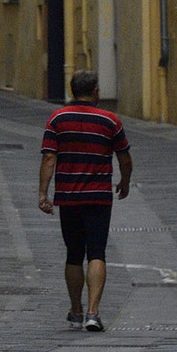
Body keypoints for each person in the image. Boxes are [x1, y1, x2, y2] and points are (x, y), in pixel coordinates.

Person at [38, 69, 132, 333]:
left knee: (73, 254)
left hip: (68, 196)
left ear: (71, 91)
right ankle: (93, 312)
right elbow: (124, 156)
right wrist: (125, 181)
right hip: (99, 198)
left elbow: (48, 157)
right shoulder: (110, 121)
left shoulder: (57, 119)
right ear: (96, 92)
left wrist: (43, 193)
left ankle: (76, 310)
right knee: (97, 252)